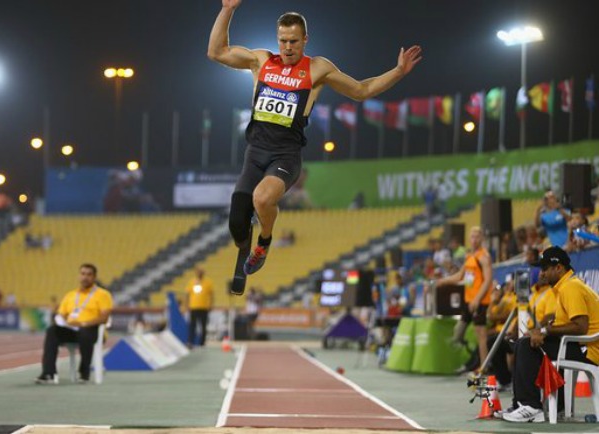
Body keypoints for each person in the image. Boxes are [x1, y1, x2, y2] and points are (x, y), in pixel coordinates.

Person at [208, 0, 422, 277]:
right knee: (236, 225)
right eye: (283, 41)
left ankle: (264, 242)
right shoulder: (260, 61)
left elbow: (361, 90)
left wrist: (397, 72)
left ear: (305, 40)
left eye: (294, 41)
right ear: (277, 39)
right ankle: (246, 230)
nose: (287, 47)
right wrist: (227, 10)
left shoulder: (318, 69)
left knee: (262, 199)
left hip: (285, 156)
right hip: (255, 153)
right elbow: (217, 52)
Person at [502, 246, 599, 423]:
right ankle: (523, 405)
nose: (542, 273)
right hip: (580, 346)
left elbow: (581, 326)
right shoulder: (566, 286)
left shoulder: (571, 287)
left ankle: (531, 406)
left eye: (545, 269)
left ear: (559, 268)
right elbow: (569, 323)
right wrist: (544, 329)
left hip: (588, 350)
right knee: (524, 343)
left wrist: (545, 331)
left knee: (526, 345)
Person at [36, 264, 113, 384]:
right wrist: (64, 321)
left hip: (93, 331)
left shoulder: (103, 294)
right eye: (82, 274)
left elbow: (104, 318)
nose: (85, 277)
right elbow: (62, 314)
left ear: (94, 277)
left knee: (85, 332)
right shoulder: (70, 295)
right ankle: (48, 374)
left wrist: (84, 323)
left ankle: (84, 372)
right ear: (79, 276)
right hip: (72, 329)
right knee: (52, 331)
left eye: (89, 274)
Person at [434, 226, 493, 373]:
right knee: (458, 332)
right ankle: (472, 356)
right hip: (468, 301)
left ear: (482, 239)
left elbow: (488, 280)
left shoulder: (484, 257)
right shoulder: (469, 256)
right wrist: (444, 281)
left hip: (479, 302)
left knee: (481, 335)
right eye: (472, 236)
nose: (474, 239)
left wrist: (477, 299)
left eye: (477, 236)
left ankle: (484, 367)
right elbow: (460, 276)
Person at [185, 267, 214, 347]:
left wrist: (210, 305)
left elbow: (211, 295)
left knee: (203, 326)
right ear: (196, 272)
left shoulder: (208, 282)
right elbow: (187, 294)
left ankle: (202, 343)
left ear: (203, 273)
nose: (199, 273)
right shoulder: (191, 282)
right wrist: (187, 305)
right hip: (193, 307)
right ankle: (191, 342)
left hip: (204, 308)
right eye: (198, 272)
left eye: (201, 272)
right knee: (192, 326)